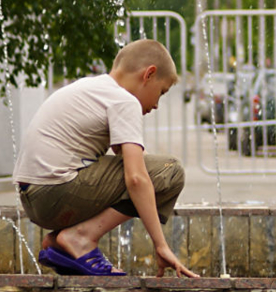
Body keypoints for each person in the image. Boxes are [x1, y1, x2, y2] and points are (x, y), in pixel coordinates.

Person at [13, 38, 197, 278]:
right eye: (161, 93)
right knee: (170, 171)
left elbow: (130, 163)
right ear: (149, 74)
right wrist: (161, 245)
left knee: (152, 173)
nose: (157, 105)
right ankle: (81, 238)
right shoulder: (124, 100)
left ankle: (62, 242)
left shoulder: (94, 88)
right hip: (54, 193)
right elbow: (137, 179)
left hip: (34, 198)